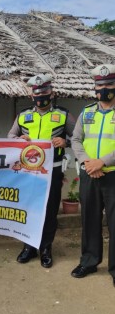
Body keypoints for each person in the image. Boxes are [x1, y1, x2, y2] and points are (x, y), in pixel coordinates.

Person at [8, 74, 75, 268]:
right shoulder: (23, 116)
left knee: (50, 210)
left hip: (52, 171)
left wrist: (66, 141)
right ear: (31, 95)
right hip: (29, 172)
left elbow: (79, 137)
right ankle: (29, 246)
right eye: (37, 93)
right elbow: (10, 135)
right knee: (29, 209)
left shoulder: (63, 114)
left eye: (44, 92)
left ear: (51, 93)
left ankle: (46, 248)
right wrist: (19, 139)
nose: (40, 96)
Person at [71, 64, 115, 285]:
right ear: (95, 88)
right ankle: (88, 261)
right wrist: (87, 162)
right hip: (89, 174)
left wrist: (102, 162)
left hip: (113, 175)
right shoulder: (86, 112)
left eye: (108, 84)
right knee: (89, 219)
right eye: (100, 85)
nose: (104, 89)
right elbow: (75, 140)